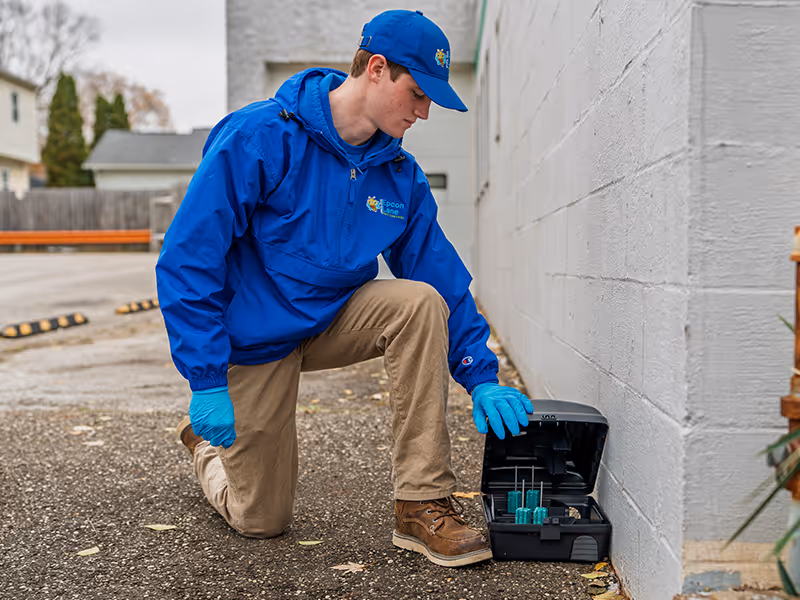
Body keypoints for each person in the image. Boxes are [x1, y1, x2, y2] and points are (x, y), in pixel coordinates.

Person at [156, 9, 533, 568]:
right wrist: (206, 377)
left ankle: (422, 503)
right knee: (261, 520)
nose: (424, 112)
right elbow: (190, 258)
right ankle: (208, 451)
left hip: (333, 319)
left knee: (419, 303)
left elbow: (440, 274)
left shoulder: (397, 174)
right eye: (417, 93)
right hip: (256, 339)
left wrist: (480, 374)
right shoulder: (260, 137)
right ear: (376, 69)